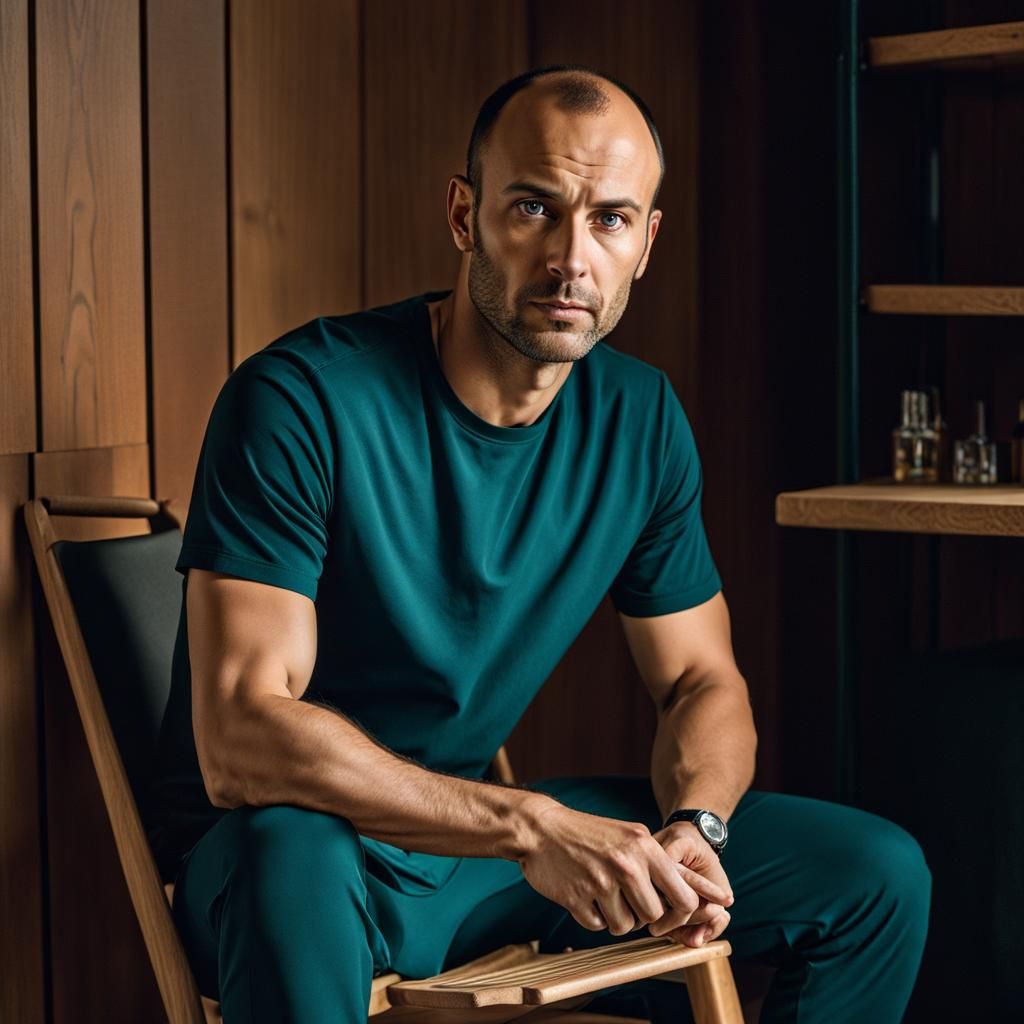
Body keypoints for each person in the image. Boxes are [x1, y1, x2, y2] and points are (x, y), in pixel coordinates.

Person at [145, 65, 931, 1023]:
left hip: (469, 861)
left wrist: (697, 826)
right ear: (465, 215)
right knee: (288, 846)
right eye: (534, 208)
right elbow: (241, 741)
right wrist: (532, 827)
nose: (571, 258)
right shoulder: (299, 400)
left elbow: (701, 684)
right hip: (292, 865)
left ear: (646, 243)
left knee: (873, 876)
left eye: (608, 218)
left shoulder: (639, 419)